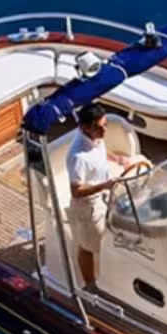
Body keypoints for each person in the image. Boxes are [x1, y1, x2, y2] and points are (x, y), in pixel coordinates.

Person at [65, 103, 141, 284]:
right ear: (85, 127)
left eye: (105, 125)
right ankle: (90, 285)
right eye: (99, 127)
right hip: (89, 205)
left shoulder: (95, 137)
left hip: (106, 195)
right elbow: (76, 191)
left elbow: (100, 152)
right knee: (87, 247)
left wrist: (119, 159)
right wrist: (105, 185)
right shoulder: (77, 157)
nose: (105, 131)